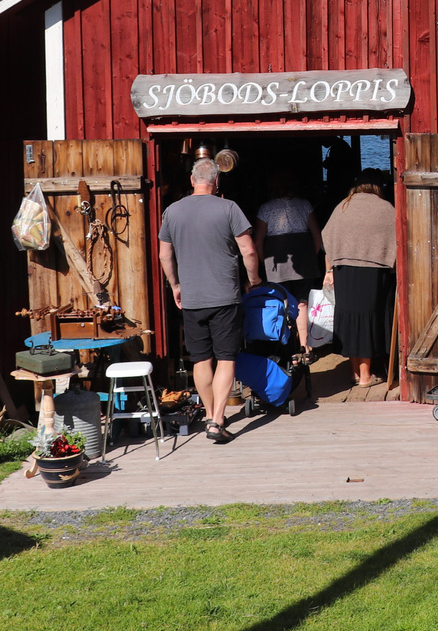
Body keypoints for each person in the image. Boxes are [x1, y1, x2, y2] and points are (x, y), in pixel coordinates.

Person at [158, 158, 259, 442]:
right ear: (217, 182)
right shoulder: (229, 208)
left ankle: (209, 415)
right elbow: (248, 251)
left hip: (192, 297)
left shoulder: (172, 212)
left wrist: (175, 285)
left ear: (192, 180)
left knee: (201, 359)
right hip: (225, 295)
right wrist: (253, 279)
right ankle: (217, 420)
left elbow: (164, 255)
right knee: (226, 358)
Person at [321, 170, 396, 387]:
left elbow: (328, 236)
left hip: (344, 270)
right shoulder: (385, 208)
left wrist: (329, 270)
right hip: (373, 271)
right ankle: (365, 376)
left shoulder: (343, 206)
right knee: (368, 320)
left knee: (351, 318)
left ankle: (355, 373)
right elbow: (397, 236)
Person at [253, 170, 324, 304]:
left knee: (280, 300)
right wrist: (311, 256)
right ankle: (301, 326)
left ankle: (287, 325)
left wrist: (264, 262)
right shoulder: (305, 205)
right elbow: (317, 237)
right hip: (304, 259)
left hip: (276, 259)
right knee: (302, 301)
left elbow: (258, 241)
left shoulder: (265, 209)